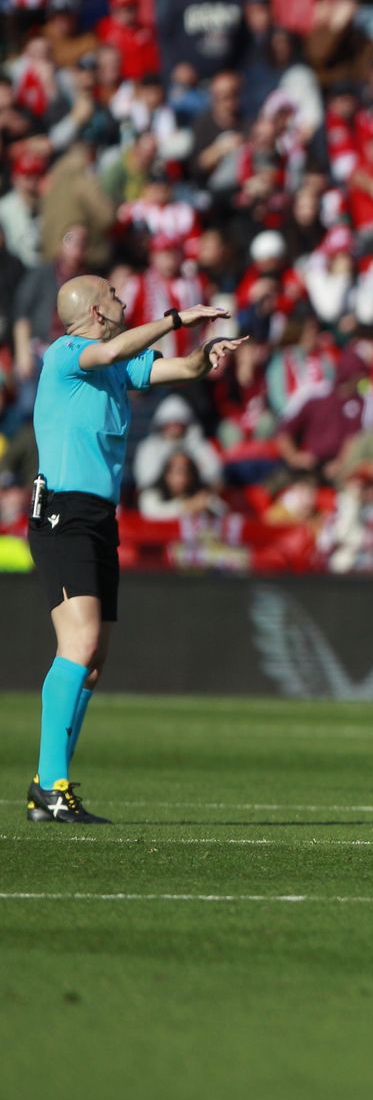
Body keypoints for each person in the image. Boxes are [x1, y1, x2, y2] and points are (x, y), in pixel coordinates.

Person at [27, 277, 241, 823]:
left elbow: (181, 370)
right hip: (63, 512)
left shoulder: (112, 364)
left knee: (93, 661)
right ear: (97, 311)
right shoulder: (69, 352)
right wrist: (175, 317)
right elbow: (117, 349)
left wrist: (204, 355)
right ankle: (50, 786)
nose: (124, 300)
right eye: (115, 295)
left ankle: (48, 789)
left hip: (97, 516)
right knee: (82, 641)